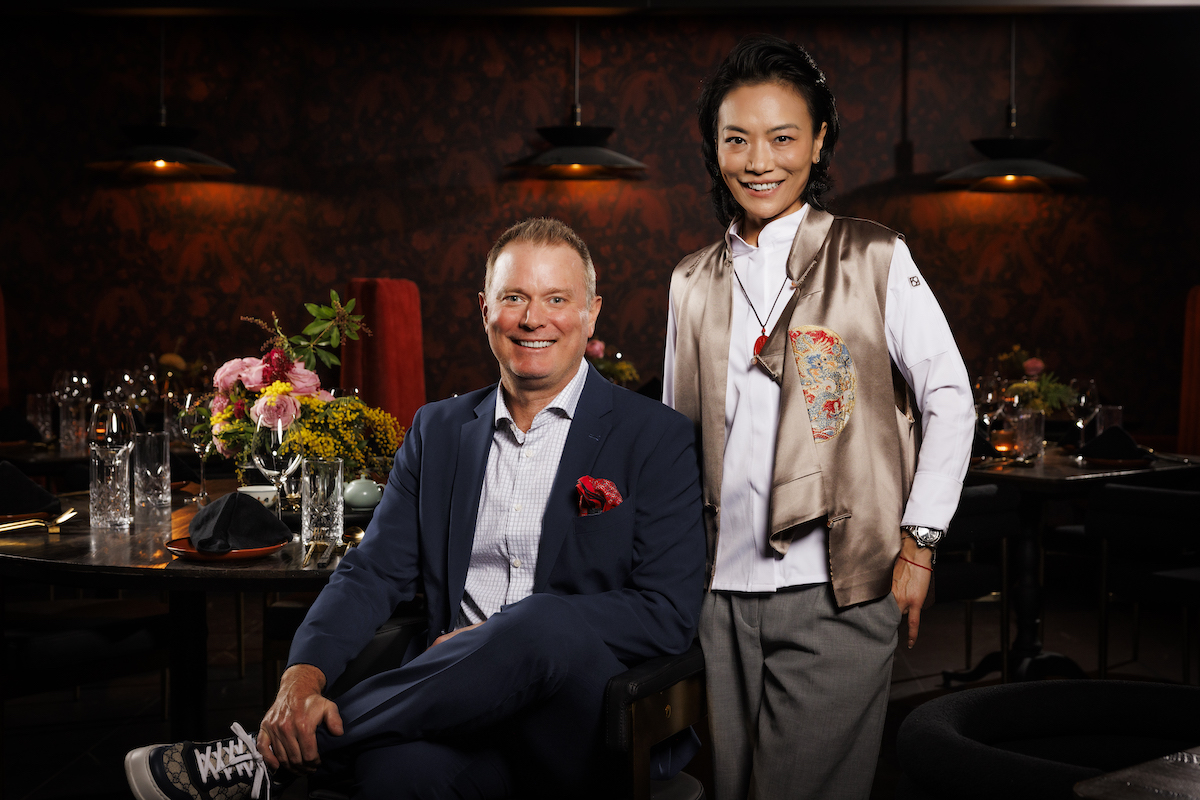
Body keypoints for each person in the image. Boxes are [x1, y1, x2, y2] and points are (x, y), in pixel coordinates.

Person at [126, 217, 706, 800]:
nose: (534, 319)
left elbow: (666, 612)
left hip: (581, 720)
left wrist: (502, 638)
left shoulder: (655, 435)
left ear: (591, 313)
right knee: (393, 779)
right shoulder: (439, 430)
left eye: (557, 299)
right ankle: (304, 746)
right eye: (514, 298)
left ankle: (261, 759)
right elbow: (371, 572)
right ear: (485, 309)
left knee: (541, 620)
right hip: (448, 714)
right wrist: (303, 676)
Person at [663, 35, 975, 800]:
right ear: (714, 147)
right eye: (736, 139)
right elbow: (673, 437)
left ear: (819, 141)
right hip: (718, 592)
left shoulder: (872, 257)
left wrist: (920, 545)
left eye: (782, 137)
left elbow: (950, 398)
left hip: (837, 587)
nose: (758, 160)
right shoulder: (691, 281)